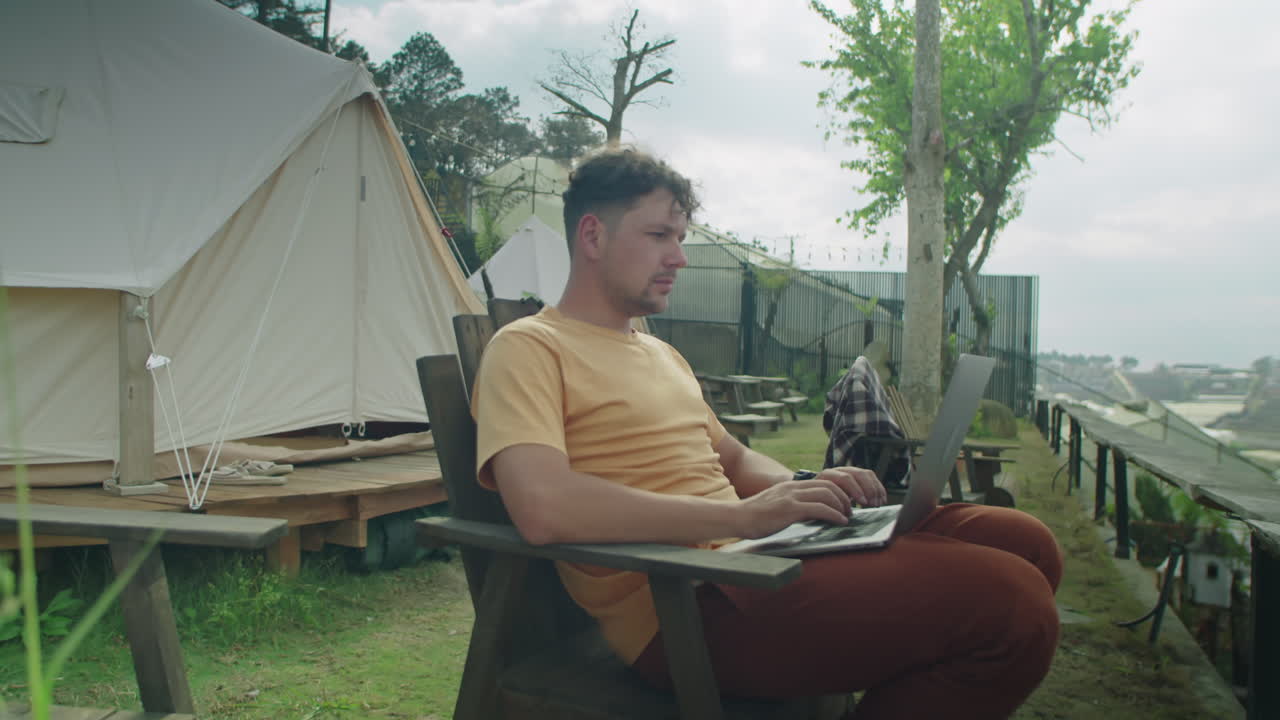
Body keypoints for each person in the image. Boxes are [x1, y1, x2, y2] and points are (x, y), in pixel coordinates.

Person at [471, 147, 1063, 720]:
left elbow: (730, 459)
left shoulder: (659, 353)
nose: (678, 257)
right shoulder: (529, 348)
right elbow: (542, 506)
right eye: (659, 236)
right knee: (1014, 607)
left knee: (1027, 543)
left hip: (754, 562)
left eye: (681, 238)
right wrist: (741, 520)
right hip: (686, 606)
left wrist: (812, 489)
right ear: (594, 236)